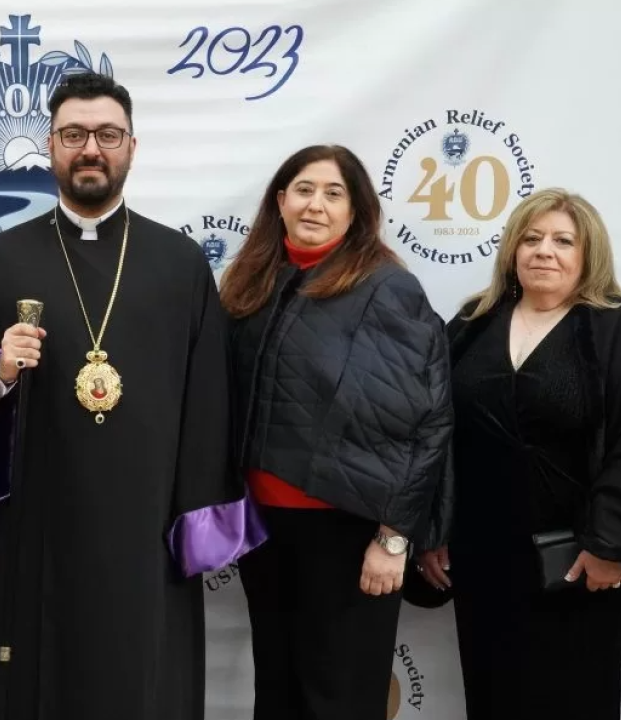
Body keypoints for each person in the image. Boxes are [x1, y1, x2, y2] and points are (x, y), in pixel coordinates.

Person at [0, 72, 266, 720]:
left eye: (107, 135)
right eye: (74, 134)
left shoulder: (179, 263)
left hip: (146, 520)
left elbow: (210, 399)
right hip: (36, 516)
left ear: (131, 147)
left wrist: (194, 515)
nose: (91, 148)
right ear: (50, 146)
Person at [417, 188, 621, 720]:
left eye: (563, 241)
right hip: (483, 562)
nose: (545, 250)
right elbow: (434, 433)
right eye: (532, 238)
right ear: (513, 251)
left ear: (588, 255)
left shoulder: (616, 329)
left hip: (577, 565)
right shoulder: (473, 324)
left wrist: (613, 543)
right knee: (492, 698)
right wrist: (432, 528)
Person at [219, 144, 454, 720]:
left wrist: (394, 537)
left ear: (356, 210)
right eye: (304, 190)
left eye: (333, 193)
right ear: (280, 200)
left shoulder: (387, 288)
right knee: (279, 693)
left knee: (340, 700)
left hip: (348, 534)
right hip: (265, 529)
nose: (315, 205)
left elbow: (428, 422)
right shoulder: (251, 283)